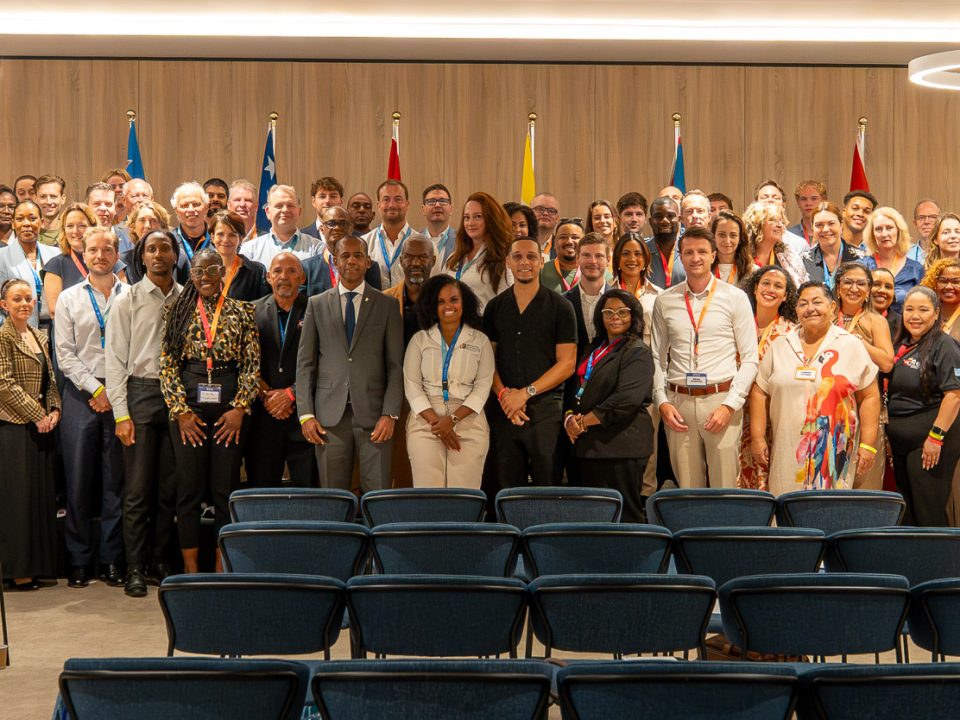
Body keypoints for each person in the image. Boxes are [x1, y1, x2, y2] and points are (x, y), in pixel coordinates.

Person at [159, 249, 260, 573]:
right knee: (188, 488)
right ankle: (190, 569)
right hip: (189, 403)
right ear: (191, 275)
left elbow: (251, 365)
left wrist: (240, 408)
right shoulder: (176, 310)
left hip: (229, 404)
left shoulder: (242, 311)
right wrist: (181, 411)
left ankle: (220, 566)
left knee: (224, 488)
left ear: (223, 272)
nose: (205, 277)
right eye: (199, 272)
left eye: (212, 270)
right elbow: (167, 366)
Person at [651, 226, 759, 488]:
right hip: (679, 404)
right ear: (681, 256)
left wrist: (730, 405)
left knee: (725, 489)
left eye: (702, 251)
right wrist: (662, 401)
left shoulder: (735, 297)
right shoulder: (665, 300)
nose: (695, 258)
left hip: (721, 401)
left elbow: (750, 358)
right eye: (688, 252)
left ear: (713, 255)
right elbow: (657, 357)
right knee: (688, 490)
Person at [105, 229, 182, 597]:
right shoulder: (128, 300)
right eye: (151, 249)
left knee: (169, 488)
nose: (158, 254)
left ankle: (158, 560)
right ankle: (134, 566)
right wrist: (121, 414)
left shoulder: (187, 297)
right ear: (142, 257)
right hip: (140, 393)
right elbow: (114, 360)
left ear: (175, 255)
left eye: (165, 248)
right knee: (137, 490)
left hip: (177, 398)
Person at [749, 282, 880, 496]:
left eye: (817, 302)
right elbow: (760, 390)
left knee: (831, 507)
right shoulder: (781, 344)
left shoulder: (850, 345)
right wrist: (757, 437)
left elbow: (870, 395)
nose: (810, 308)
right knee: (786, 502)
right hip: (787, 448)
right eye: (803, 304)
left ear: (832, 306)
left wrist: (868, 444)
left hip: (833, 453)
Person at [296, 236, 404, 493]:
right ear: (335, 261)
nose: (352, 261)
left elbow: (395, 366)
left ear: (368, 262)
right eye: (345, 256)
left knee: (377, 495)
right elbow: (305, 364)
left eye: (358, 256)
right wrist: (306, 414)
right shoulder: (317, 304)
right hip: (328, 417)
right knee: (334, 496)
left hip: (375, 416)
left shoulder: (387, 305)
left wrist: (390, 413)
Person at [54, 226, 126, 589]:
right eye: (93, 250)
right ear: (83, 254)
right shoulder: (69, 298)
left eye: (107, 250)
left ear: (117, 254)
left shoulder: (130, 295)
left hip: (121, 394)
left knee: (116, 482)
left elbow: (137, 348)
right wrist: (96, 388)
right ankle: (79, 560)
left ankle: (111, 559)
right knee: (79, 482)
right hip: (81, 394)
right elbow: (65, 354)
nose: (100, 256)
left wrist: (113, 390)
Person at [484, 237, 577, 494]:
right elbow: (487, 362)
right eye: (517, 256)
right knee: (506, 491)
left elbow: (567, 364)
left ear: (541, 261)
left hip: (545, 411)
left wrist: (525, 394)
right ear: (508, 262)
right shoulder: (494, 307)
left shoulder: (561, 307)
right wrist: (505, 396)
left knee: (547, 488)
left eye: (531, 256)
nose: (524, 262)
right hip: (504, 410)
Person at [564, 289, 654, 523]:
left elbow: (626, 400)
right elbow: (575, 388)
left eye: (622, 312)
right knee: (592, 516)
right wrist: (570, 417)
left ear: (633, 316)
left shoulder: (637, 351)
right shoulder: (593, 348)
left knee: (625, 515)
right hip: (588, 445)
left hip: (621, 445)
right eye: (609, 312)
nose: (615, 317)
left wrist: (582, 422)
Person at [403, 276, 493, 488]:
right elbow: (412, 386)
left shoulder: (480, 341)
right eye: (440, 301)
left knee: (464, 494)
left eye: (454, 299)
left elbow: (482, 387)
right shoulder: (419, 340)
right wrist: (439, 423)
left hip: (468, 420)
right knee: (429, 494)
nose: (448, 306)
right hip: (426, 422)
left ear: (464, 302)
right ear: (432, 306)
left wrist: (451, 420)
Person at [0, 278, 60, 589]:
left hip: (41, 426)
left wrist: (54, 410)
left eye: (28, 298)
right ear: (4, 305)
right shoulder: (3, 337)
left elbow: (51, 379)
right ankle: (17, 570)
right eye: (17, 299)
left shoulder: (38, 335)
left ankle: (37, 565)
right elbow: (4, 385)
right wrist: (38, 415)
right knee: (18, 500)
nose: (24, 303)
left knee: (38, 498)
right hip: (14, 426)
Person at [885, 286, 960, 526]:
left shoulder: (945, 345)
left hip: (929, 440)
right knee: (907, 513)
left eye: (923, 310)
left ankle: (939, 552)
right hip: (900, 441)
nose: (915, 316)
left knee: (928, 510)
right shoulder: (900, 343)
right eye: (909, 309)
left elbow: (954, 395)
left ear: (936, 313)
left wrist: (935, 438)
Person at [246, 252, 317, 489]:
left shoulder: (316, 309)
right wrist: (266, 395)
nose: (284, 276)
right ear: (268, 277)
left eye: (291, 271)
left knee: (308, 492)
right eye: (277, 271)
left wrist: (291, 393)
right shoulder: (251, 311)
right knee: (262, 490)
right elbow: (244, 361)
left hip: (303, 416)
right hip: (263, 416)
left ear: (302, 278)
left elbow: (324, 360)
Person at [833, 262, 895, 490]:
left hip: (865, 403)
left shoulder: (875, 320)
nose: (854, 288)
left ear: (868, 289)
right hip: (831, 404)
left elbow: (887, 363)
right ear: (837, 287)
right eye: (848, 282)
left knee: (864, 474)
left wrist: (858, 343)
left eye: (861, 283)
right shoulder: (827, 315)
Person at [736, 266, 798, 490]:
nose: (770, 289)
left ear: (786, 296)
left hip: (771, 418)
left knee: (768, 478)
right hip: (734, 414)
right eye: (766, 283)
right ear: (755, 288)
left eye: (778, 286)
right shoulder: (736, 324)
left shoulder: (792, 333)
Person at [443, 191, 513, 312]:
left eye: (478, 217)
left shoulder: (503, 258)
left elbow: (506, 304)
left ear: (491, 219)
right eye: (467, 217)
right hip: (453, 321)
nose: (470, 223)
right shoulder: (453, 258)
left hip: (484, 322)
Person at [0, 200, 59, 332]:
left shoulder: (56, 254)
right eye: (20, 219)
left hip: (55, 328)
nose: (26, 224)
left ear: (42, 222)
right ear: (13, 224)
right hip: (16, 330)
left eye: (32, 218)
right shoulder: (2, 256)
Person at [301, 206, 382, 296]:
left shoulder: (369, 267)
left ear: (351, 228)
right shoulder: (307, 268)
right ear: (322, 229)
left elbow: (375, 301)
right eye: (331, 223)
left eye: (343, 223)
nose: (337, 228)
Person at [860, 207, 924, 313]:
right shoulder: (862, 266)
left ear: (899, 231)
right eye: (878, 229)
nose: (884, 234)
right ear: (872, 234)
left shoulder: (916, 269)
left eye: (889, 228)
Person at [242, 185, 317, 266]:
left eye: (290, 205)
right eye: (279, 206)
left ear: (299, 211)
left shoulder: (316, 248)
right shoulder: (249, 250)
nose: (285, 210)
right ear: (268, 212)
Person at [742, 200, 808, 287]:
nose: (780, 225)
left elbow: (802, 288)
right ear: (757, 224)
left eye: (781, 220)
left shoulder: (789, 256)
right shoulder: (742, 255)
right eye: (773, 220)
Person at [209, 210, 269, 302]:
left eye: (232, 235)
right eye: (220, 234)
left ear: (240, 238)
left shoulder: (257, 272)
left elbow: (265, 307)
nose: (225, 240)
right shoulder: (202, 270)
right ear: (212, 237)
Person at [365, 180, 413, 288]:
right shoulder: (364, 243)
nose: (392, 205)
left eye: (398, 199)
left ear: (407, 204)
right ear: (378, 205)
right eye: (386, 199)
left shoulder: (424, 244)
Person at [801, 201, 861, 289]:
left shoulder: (861, 258)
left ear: (841, 225)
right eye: (819, 225)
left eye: (831, 223)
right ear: (812, 229)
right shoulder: (803, 260)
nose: (825, 229)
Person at [119, 202, 172, 284]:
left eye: (153, 221)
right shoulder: (123, 260)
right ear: (133, 227)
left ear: (163, 226)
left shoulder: (178, 257)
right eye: (142, 220)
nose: (147, 226)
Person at [645, 197, 684, 289]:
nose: (664, 221)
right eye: (658, 216)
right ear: (650, 222)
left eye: (670, 216)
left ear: (679, 219)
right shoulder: (642, 251)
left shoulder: (689, 250)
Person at [711, 210, 756, 285]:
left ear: (740, 239)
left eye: (733, 235)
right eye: (722, 235)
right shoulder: (704, 269)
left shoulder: (753, 272)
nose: (727, 241)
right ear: (713, 236)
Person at [539, 217, 583, 293]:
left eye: (575, 237)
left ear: (584, 243)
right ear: (555, 243)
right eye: (563, 237)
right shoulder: (541, 272)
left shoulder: (594, 271)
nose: (569, 242)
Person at [922, 258, 960, 342]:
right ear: (933, 283)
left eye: (956, 282)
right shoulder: (926, 313)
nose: (949, 287)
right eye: (943, 281)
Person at [420, 184, 456, 266]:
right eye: (431, 201)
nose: (437, 205)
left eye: (443, 201)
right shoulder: (414, 241)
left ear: (451, 209)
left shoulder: (463, 241)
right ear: (423, 209)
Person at [788, 179, 827, 244]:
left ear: (824, 200)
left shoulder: (832, 233)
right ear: (798, 202)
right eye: (803, 199)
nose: (808, 203)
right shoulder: (789, 235)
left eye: (814, 198)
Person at [35, 174, 66, 246]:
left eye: (53, 196)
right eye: (43, 196)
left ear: (62, 199)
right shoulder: (30, 231)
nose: (48, 202)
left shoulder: (70, 232)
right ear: (36, 199)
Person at [871, 267, 901, 337]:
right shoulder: (850, 318)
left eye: (888, 287)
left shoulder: (902, 325)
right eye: (876, 284)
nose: (882, 290)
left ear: (894, 294)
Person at [911, 198, 941, 263]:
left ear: (940, 222)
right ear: (915, 223)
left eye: (932, 217)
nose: (926, 221)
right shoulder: (904, 255)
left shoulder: (948, 252)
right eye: (921, 218)